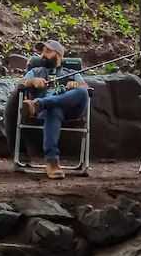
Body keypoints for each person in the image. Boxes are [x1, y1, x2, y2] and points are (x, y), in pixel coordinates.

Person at [18, 39, 89, 179]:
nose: (43, 55)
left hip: (70, 111)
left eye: (48, 51)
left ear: (59, 56)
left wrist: (75, 85)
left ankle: (41, 103)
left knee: (82, 92)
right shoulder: (35, 71)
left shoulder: (71, 72)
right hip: (47, 113)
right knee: (54, 110)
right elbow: (19, 84)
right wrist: (32, 81)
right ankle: (52, 162)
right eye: (42, 51)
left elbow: (86, 88)